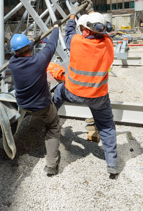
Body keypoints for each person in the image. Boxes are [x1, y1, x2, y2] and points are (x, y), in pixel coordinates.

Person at [53, 11, 119, 176]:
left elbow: (68, 33)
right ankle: (112, 164)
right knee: (106, 126)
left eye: (83, 28)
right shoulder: (108, 45)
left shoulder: (75, 42)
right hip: (98, 96)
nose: (81, 30)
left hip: (73, 93)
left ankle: (51, 114)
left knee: (59, 91)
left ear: (88, 30)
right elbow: (107, 35)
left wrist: (71, 18)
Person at [9, 26, 62, 176]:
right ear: (28, 48)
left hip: (24, 105)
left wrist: (33, 41)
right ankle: (51, 166)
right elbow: (51, 45)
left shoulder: (13, 62)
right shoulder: (39, 60)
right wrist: (56, 29)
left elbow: (22, 50)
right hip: (41, 106)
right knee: (53, 127)